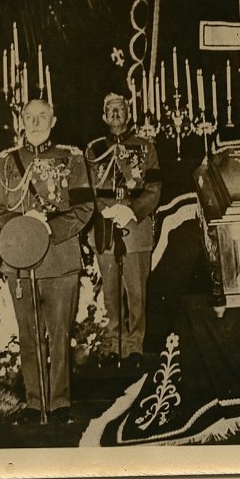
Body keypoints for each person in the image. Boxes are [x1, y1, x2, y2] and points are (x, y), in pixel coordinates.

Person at [0, 99, 95, 425]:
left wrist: (47, 228)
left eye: (42, 116)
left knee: (60, 335)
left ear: (54, 118)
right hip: (19, 262)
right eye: (29, 117)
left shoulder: (72, 158)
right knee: (29, 335)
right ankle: (35, 404)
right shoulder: (6, 162)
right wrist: (22, 227)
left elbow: (84, 207)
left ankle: (59, 403)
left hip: (60, 260)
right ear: (21, 120)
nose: (35, 122)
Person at [85, 93, 162, 370]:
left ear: (129, 115)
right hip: (104, 226)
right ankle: (111, 344)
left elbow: (154, 188)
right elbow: (87, 188)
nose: (116, 114)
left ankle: (134, 348)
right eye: (111, 110)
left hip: (136, 227)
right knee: (110, 291)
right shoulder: (93, 150)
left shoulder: (146, 148)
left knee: (136, 292)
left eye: (121, 110)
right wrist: (104, 210)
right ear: (104, 117)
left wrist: (131, 209)